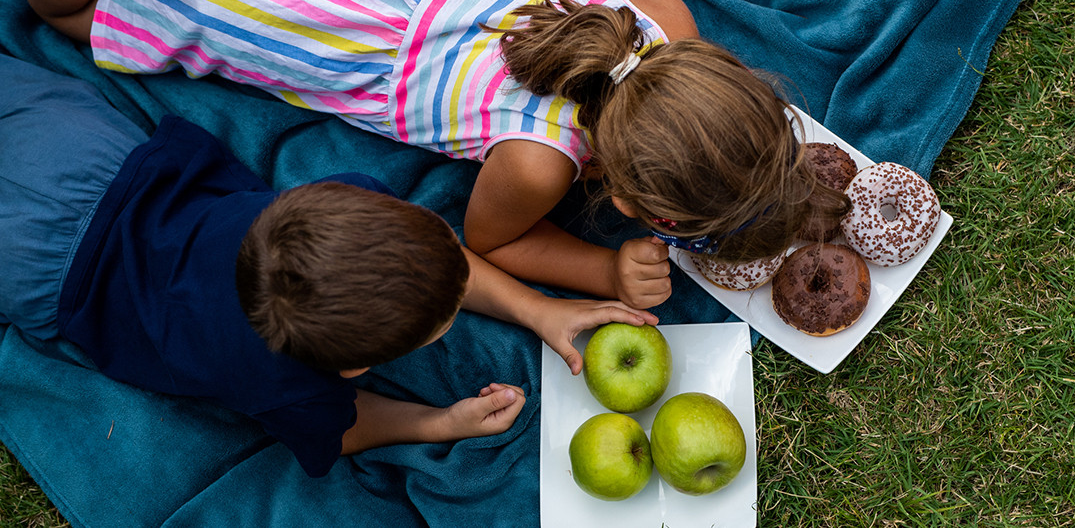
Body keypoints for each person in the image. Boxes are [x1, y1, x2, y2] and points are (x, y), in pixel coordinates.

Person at [23, 0, 851, 310]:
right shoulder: (535, 164)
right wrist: (599, 267)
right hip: (328, 29)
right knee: (68, 10)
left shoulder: (664, 23)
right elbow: (488, 241)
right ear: (629, 203)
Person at [0, 53, 656, 478]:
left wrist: (538, 308)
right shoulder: (284, 385)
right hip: (48, 266)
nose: (461, 283)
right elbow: (345, 428)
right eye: (447, 311)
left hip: (80, 155)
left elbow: (430, 260)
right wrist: (437, 422)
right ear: (349, 370)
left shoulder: (347, 204)